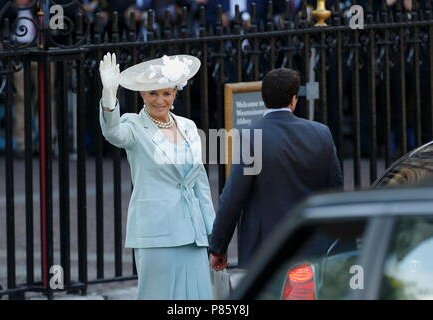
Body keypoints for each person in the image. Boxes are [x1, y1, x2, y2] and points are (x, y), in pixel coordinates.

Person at [98, 53, 215, 300]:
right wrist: (109, 96)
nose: (160, 100)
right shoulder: (132, 125)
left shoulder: (188, 126)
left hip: (193, 233)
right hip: (156, 232)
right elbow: (113, 133)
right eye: (153, 93)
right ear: (142, 94)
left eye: (166, 93)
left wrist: (214, 233)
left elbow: (199, 183)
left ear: (175, 94)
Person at [209, 68, 343, 271]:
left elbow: (232, 199)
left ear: (263, 99)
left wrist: (218, 248)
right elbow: (335, 192)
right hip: (311, 241)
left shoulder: (251, 136)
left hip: (266, 247)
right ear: (294, 99)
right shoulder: (322, 133)